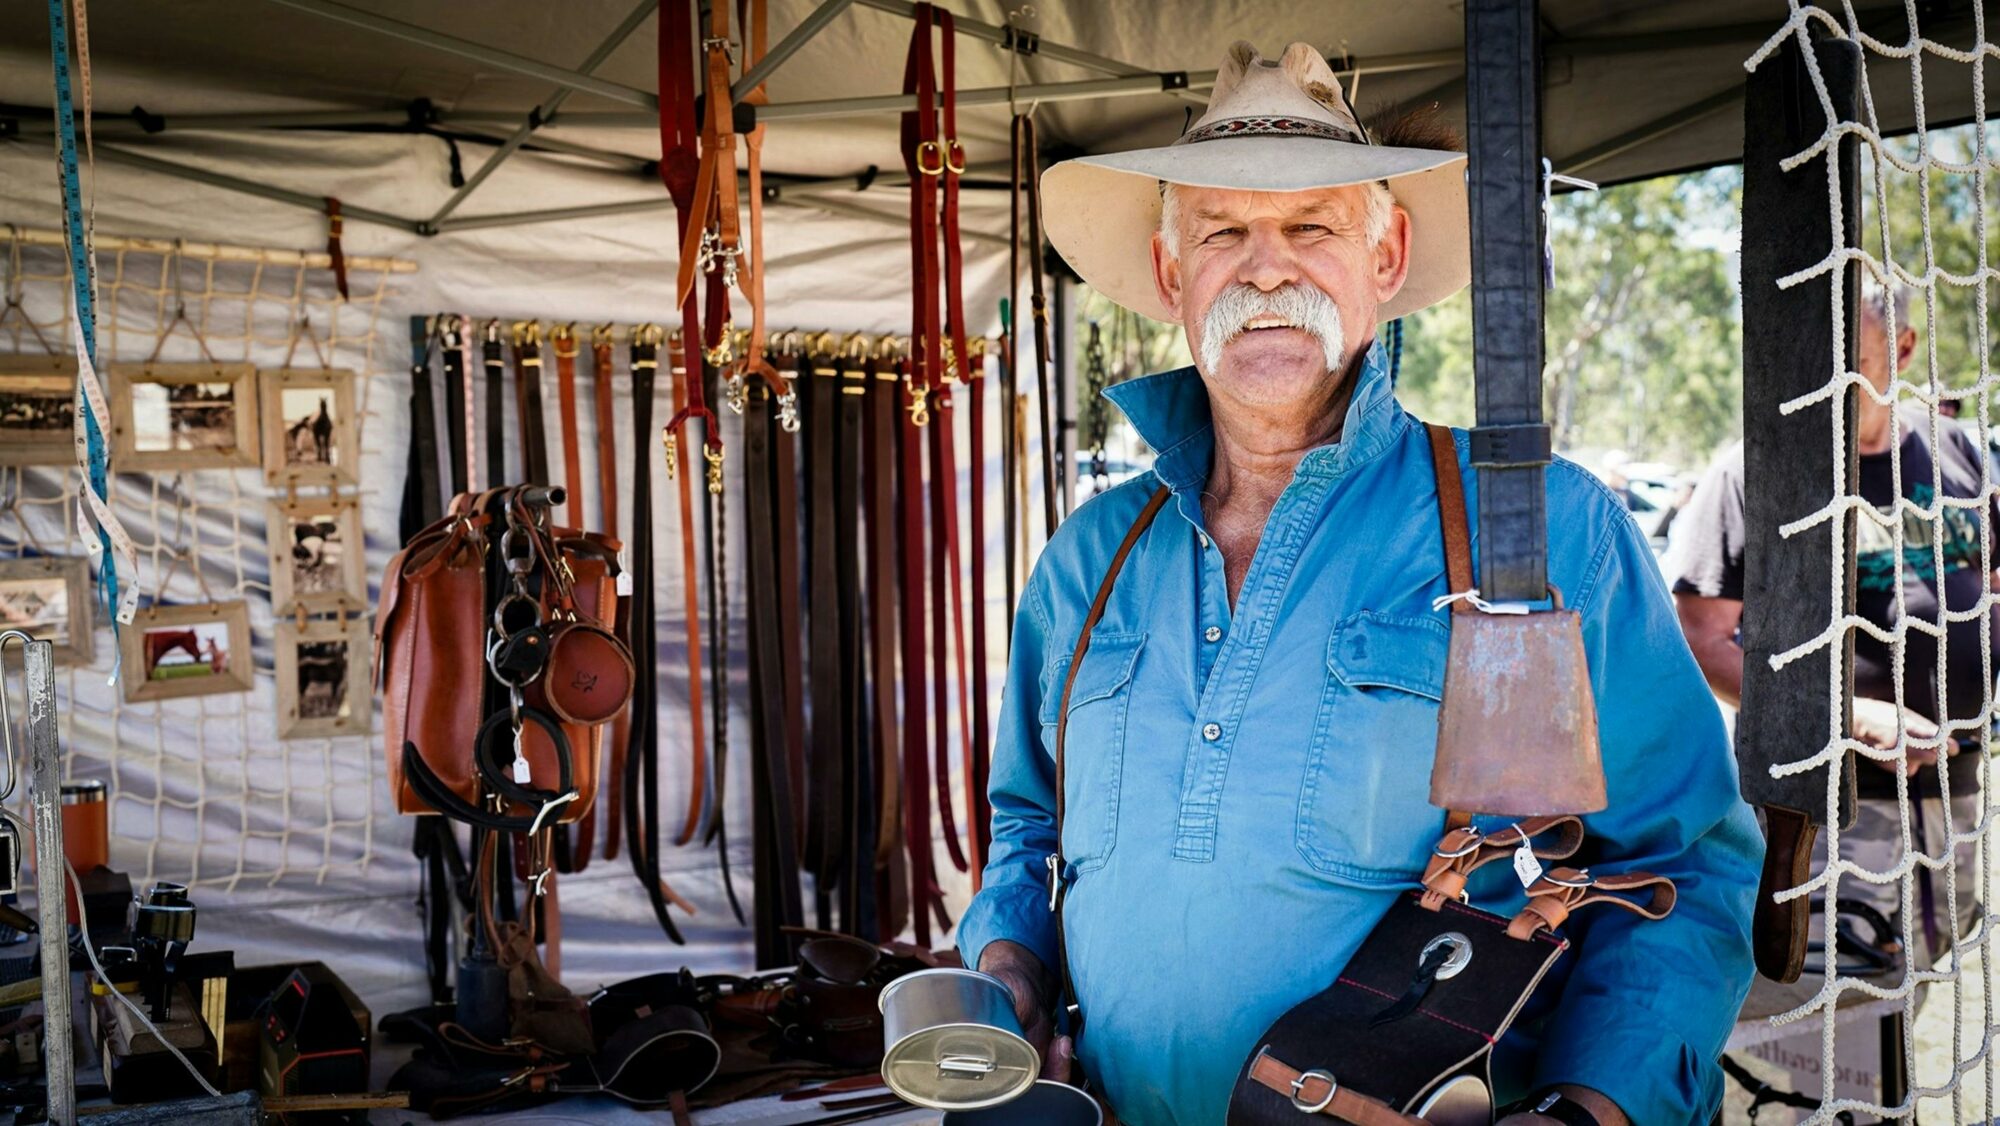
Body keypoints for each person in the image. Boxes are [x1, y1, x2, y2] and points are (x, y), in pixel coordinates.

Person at [955, 39, 1759, 1126]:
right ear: (1167, 274)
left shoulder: (1534, 531)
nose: (1266, 268)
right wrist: (1005, 965)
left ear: (1384, 259)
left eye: (1310, 227)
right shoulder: (1087, 561)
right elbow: (1024, 826)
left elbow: (1678, 866)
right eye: (1223, 232)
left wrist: (1592, 1109)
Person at [1673, 281, 1990, 995]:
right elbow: (1699, 637)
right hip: (1825, 816)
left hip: (1955, 796)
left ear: (1903, 349)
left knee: (1915, 991)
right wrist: (1849, 716)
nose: (1828, 373)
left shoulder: (1957, 451)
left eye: (1854, 353)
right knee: (1825, 1018)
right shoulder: (1758, 467)